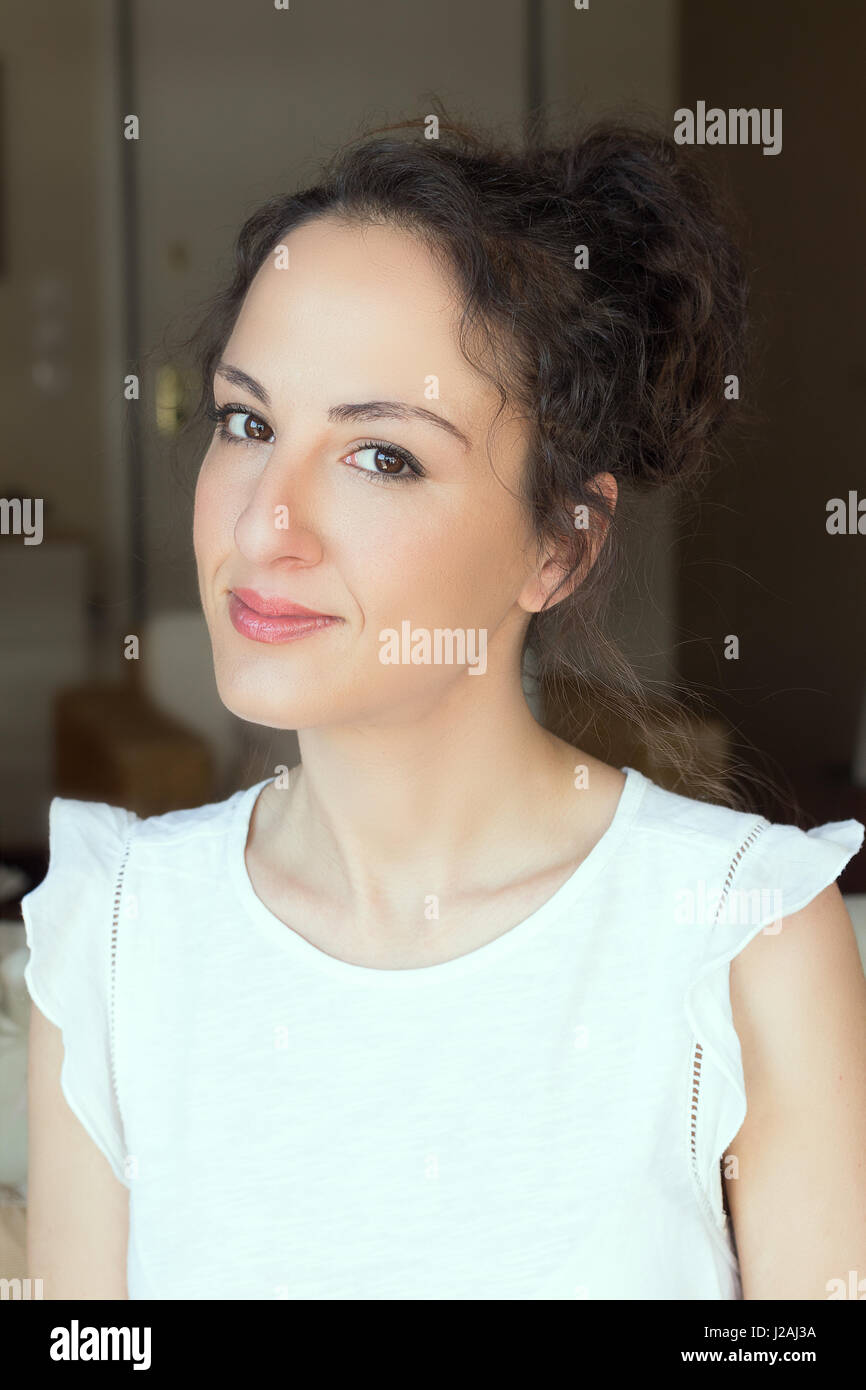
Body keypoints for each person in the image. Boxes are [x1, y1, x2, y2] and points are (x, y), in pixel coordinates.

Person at [23, 113, 866, 1300]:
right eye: (247, 423)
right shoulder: (114, 935)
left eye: (380, 455)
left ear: (560, 547)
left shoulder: (739, 936)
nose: (266, 522)